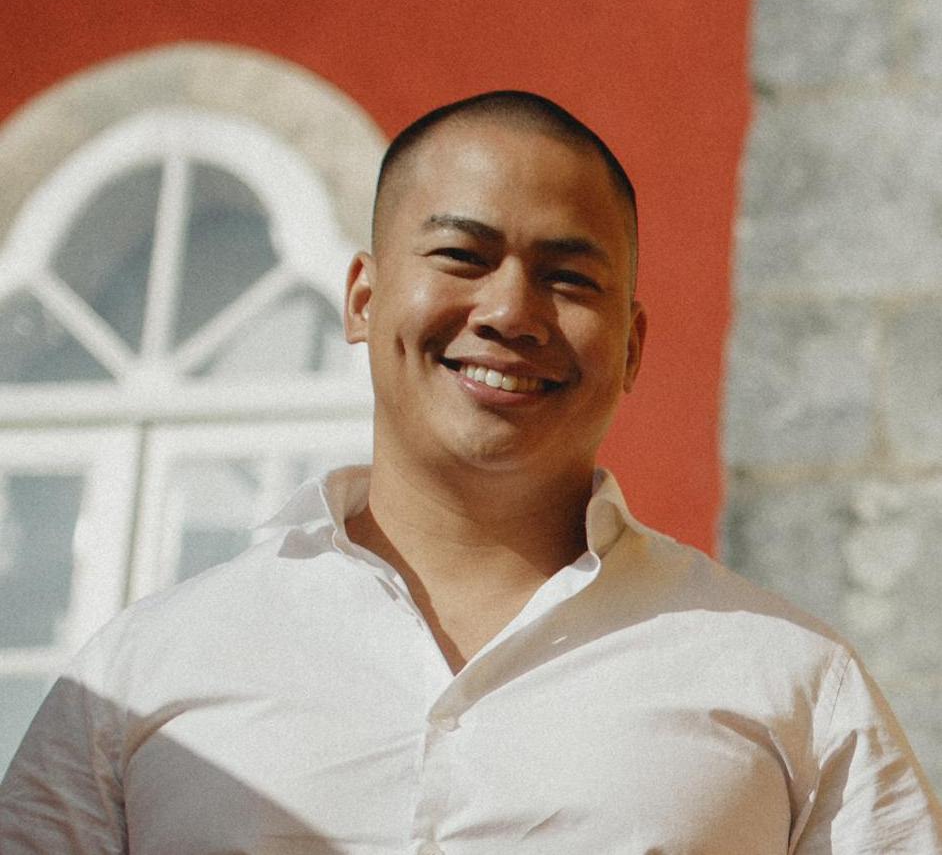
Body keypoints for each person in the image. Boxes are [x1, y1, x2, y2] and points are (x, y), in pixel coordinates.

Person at [1, 91, 940, 853]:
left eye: (569, 278)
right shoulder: (141, 675)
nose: (510, 312)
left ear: (632, 347)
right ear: (363, 298)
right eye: (462, 256)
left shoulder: (790, 682)